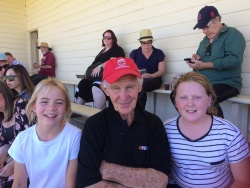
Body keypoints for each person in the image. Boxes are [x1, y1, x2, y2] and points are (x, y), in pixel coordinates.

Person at [77, 57, 171, 187]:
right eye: (116, 88)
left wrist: (109, 170)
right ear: (106, 90)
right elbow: (87, 182)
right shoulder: (94, 126)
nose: (124, 96)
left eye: (130, 87)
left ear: (139, 86)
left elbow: (160, 180)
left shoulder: (154, 124)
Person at [165, 71, 250, 188]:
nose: (190, 104)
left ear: (209, 100)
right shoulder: (165, 129)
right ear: (175, 101)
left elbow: (243, 180)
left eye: (197, 97)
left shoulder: (229, 133)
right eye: (183, 97)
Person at [8, 78, 81, 188]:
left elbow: (70, 184)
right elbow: (19, 183)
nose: (51, 108)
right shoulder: (22, 139)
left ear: (66, 108)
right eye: (44, 102)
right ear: (34, 106)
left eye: (59, 103)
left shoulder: (74, 136)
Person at [184, 6, 246, 118]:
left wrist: (204, 65)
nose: (204, 31)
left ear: (217, 20)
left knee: (206, 98)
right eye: (202, 28)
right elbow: (200, 65)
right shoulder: (204, 41)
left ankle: (219, 133)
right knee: (176, 95)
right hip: (204, 84)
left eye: (206, 27)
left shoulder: (232, 34)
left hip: (227, 83)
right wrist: (197, 61)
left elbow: (234, 60)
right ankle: (194, 126)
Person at [75, 29, 125, 109]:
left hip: (107, 78)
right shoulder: (102, 51)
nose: (106, 39)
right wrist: (87, 73)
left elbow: (113, 61)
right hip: (96, 76)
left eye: (109, 38)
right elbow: (94, 64)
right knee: (83, 84)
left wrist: (100, 67)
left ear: (113, 39)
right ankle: (78, 109)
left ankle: (97, 112)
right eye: (104, 37)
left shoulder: (117, 49)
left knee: (96, 86)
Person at [0, 80, 30, 188]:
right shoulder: (1, 115)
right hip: (11, 158)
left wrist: (15, 163)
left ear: (4, 91)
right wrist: (1, 155)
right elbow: (5, 141)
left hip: (29, 159)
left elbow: (34, 139)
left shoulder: (21, 105)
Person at [130, 29, 165, 109]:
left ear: (152, 42)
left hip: (154, 79)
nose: (146, 45)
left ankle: (139, 111)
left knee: (142, 84)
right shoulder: (134, 53)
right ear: (140, 43)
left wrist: (151, 75)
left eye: (148, 43)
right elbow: (131, 69)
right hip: (137, 79)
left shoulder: (158, 53)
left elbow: (162, 70)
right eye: (143, 43)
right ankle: (133, 110)